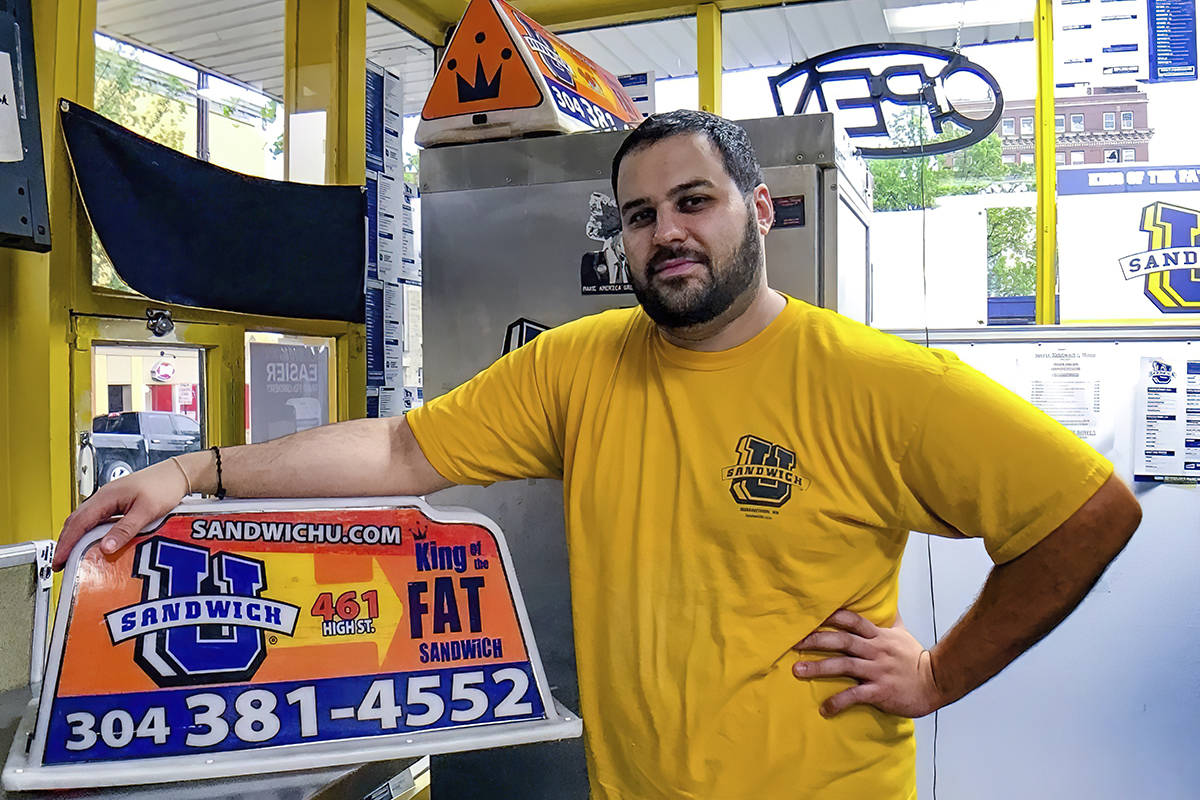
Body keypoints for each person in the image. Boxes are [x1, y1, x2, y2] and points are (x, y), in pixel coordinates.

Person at [57, 110, 1141, 799]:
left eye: (694, 201)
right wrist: (193, 473)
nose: (666, 232)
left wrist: (941, 673)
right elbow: (401, 447)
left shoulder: (873, 380)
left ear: (759, 210)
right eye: (638, 214)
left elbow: (1088, 510)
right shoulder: (581, 365)